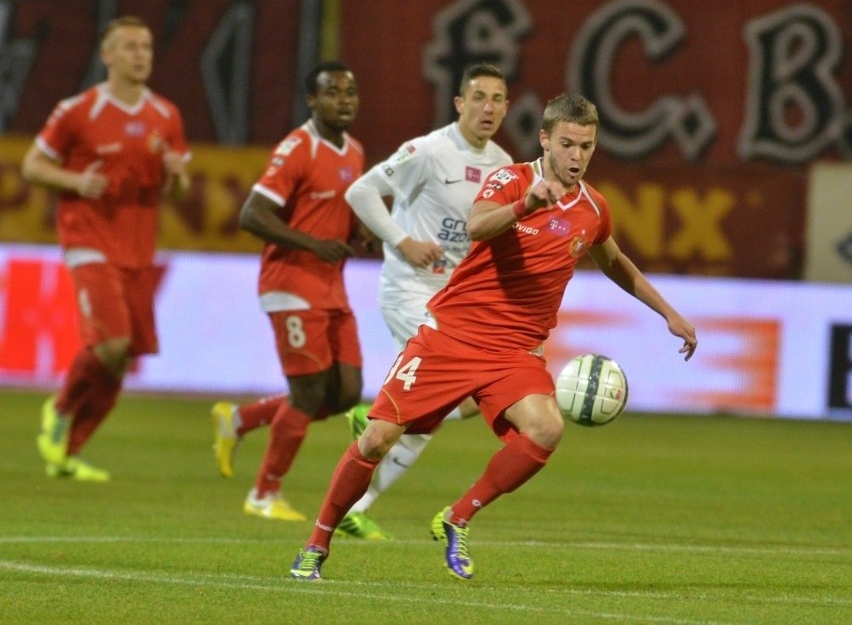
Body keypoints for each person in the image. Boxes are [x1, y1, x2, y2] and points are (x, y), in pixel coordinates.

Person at [289, 92, 698, 581]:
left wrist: (668, 312)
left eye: (586, 146)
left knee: (546, 430)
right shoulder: (511, 180)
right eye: (567, 144)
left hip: (515, 352)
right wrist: (526, 204)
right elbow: (477, 225)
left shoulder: (593, 208)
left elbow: (615, 264)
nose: (576, 156)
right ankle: (316, 543)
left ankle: (457, 517)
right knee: (378, 438)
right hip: (452, 338)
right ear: (545, 139)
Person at [335, 63, 512, 540]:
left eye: (497, 98)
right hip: (411, 290)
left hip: (456, 304)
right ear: (459, 103)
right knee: (435, 399)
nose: (488, 107)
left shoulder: (503, 166)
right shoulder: (428, 152)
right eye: (478, 97)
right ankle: (372, 430)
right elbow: (362, 191)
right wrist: (401, 240)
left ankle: (361, 502)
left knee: (458, 404)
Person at [22, 16, 190, 482]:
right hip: (87, 239)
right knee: (110, 342)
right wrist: (75, 180)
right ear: (107, 55)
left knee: (121, 357)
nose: (141, 55)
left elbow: (176, 192)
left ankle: (68, 451)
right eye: (130, 46)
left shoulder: (166, 115)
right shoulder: (78, 111)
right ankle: (58, 409)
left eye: (147, 47)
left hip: (138, 248)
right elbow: (34, 166)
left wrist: (177, 177)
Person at [229, 61, 365, 522]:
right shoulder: (297, 148)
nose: (343, 100)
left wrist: (360, 231)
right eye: (332, 92)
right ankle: (263, 494)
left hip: (331, 287)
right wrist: (313, 244)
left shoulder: (354, 152)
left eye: (350, 92)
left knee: (346, 392)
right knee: (307, 393)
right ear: (312, 100)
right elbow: (252, 214)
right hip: (290, 284)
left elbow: (335, 212)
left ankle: (242, 420)